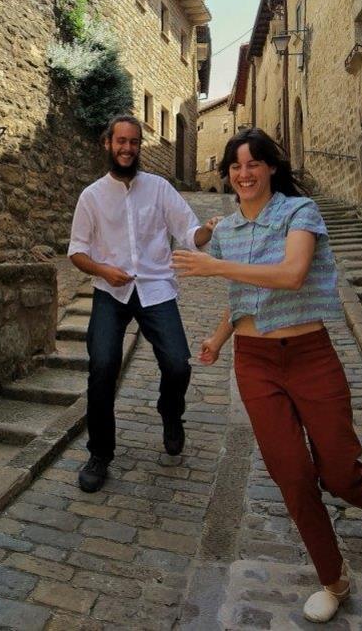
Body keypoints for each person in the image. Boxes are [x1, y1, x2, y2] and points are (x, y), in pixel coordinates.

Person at [172, 128, 362, 624]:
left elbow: (292, 274)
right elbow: (243, 298)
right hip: (255, 363)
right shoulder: (227, 231)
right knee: (292, 474)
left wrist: (216, 267)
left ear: (271, 167)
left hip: (310, 355)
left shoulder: (301, 212)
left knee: (336, 469)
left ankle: (359, 488)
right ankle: (333, 578)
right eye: (235, 166)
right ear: (228, 174)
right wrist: (218, 338)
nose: (244, 173)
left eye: (253, 163)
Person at [68, 114, 218, 493]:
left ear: (139, 146)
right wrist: (103, 270)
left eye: (134, 142)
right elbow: (77, 251)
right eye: (121, 141)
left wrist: (206, 230)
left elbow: (189, 232)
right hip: (111, 292)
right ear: (108, 143)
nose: (127, 148)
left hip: (156, 289)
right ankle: (100, 454)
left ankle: (170, 411)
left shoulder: (160, 188)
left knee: (177, 365)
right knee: (102, 367)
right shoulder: (91, 197)